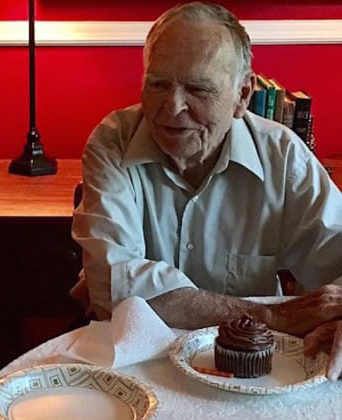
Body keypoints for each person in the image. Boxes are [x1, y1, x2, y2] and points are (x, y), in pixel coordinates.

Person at [72, 2, 342, 380]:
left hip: (258, 370)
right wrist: (268, 316)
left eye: (198, 88)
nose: (172, 106)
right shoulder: (112, 141)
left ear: (243, 95)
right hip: (141, 365)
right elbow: (114, 282)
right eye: (158, 84)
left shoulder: (282, 157)